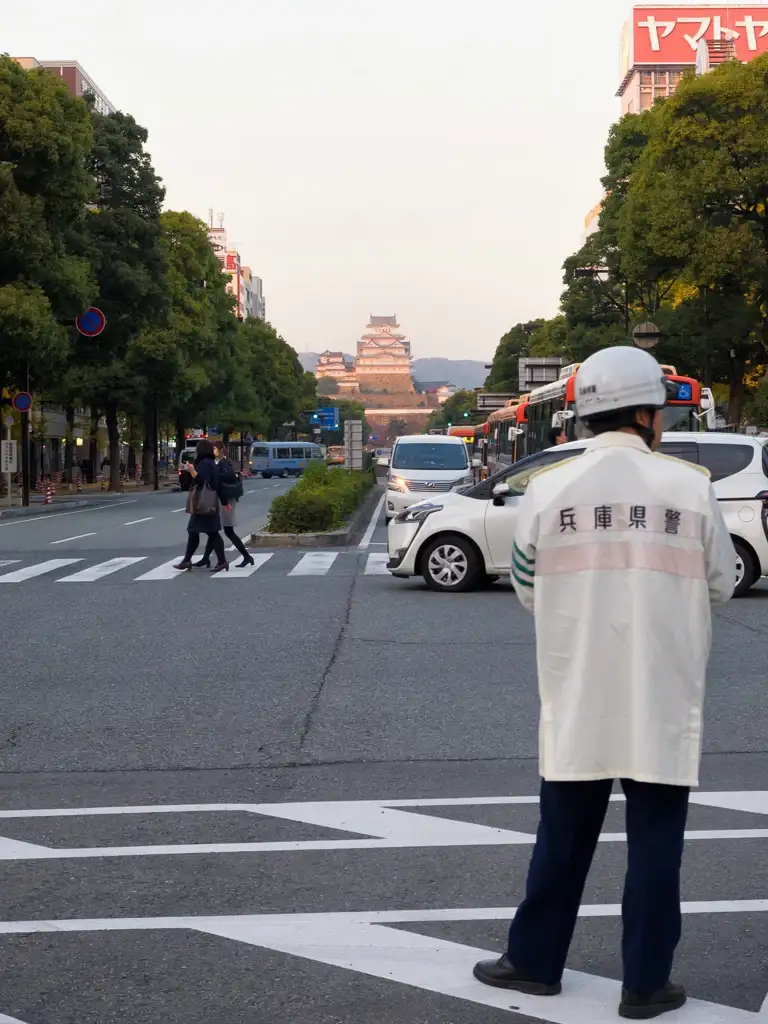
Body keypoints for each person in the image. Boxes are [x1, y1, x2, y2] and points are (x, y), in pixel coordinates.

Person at [473, 347, 736, 1019]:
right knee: (656, 845)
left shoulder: (550, 488)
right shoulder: (689, 487)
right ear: (649, 413)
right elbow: (722, 582)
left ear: (584, 415)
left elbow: (528, 588)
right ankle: (645, 984)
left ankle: (534, 962)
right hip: (662, 693)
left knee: (561, 836)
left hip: (579, 687)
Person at [194, 441, 255, 569]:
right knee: (214, 530)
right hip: (222, 498)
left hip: (227, 499)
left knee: (227, 530)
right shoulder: (216, 463)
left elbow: (230, 476)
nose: (213, 450)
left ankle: (246, 556)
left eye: (215, 448)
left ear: (220, 450)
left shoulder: (223, 462)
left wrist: (214, 475)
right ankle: (206, 558)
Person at [173, 439, 229, 573]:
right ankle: (188, 560)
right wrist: (224, 502)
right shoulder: (211, 463)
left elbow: (202, 481)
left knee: (208, 532)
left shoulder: (204, 464)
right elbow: (218, 485)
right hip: (210, 503)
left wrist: (192, 471)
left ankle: (221, 561)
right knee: (197, 531)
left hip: (204, 504)